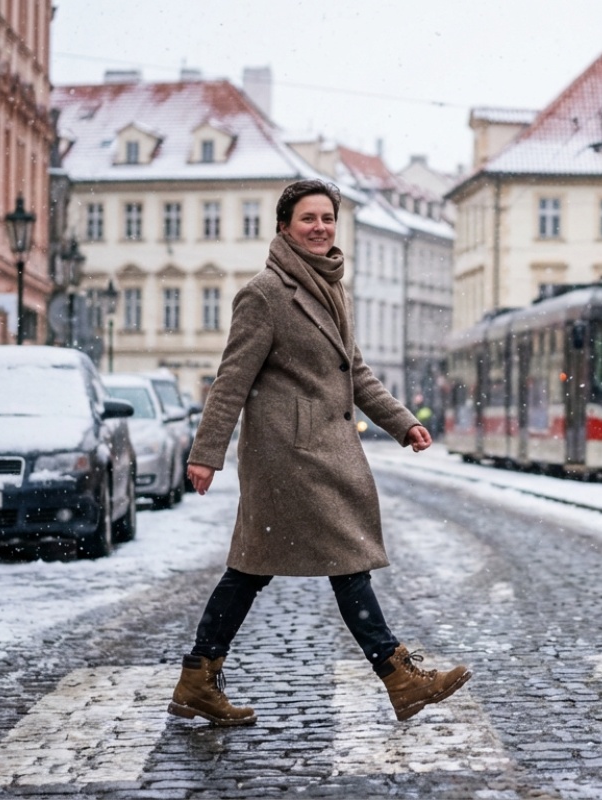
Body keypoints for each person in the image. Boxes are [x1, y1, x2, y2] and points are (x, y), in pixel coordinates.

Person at [167, 179, 470, 727]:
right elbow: (232, 378)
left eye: (327, 218)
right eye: (308, 218)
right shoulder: (265, 293)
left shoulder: (332, 288)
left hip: (319, 448)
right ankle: (398, 677)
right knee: (346, 558)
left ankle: (197, 678)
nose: (320, 227)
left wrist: (403, 423)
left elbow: (354, 373)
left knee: (251, 568)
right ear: (285, 226)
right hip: (290, 455)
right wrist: (206, 452)